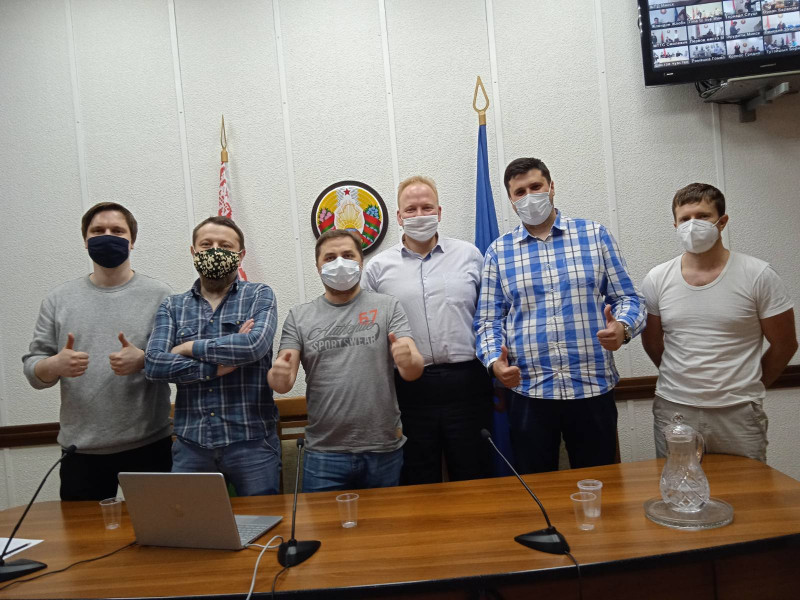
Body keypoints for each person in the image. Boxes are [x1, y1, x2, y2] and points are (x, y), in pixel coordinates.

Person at [474, 157, 646, 474]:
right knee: (538, 488)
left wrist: (622, 328)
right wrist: (495, 362)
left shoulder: (595, 235)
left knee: (600, 483)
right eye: (520, 192)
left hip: (591, 387)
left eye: (536, 186)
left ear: (551, 187)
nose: (529, 196)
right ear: (511, 200)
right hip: (530, 391)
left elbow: (628, 298)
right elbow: (488, 321)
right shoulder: (499, 251)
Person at [22, 202, 172, 501]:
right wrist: (54, 365)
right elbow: (33, 370)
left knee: (159, 530)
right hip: (82, 452)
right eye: (98, 231)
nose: (107, 236)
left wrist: (144, 360)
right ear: (85, 240)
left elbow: (178, 362)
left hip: (150, 446)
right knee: (82, 533)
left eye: (117, 231)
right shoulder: (58, 299)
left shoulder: (161, 295)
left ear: (132, 240)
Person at [641, 184, 796, 462]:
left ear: (722, 222)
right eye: (685, 219)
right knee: (678, 486)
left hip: (739, 413)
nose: (692, 225)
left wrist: (751, 384)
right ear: (675, 225)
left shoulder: (758, 275)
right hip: (674, 408)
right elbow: (652, 342)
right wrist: (681, 377)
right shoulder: (657, 278)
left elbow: (785, 344)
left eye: (703, 216)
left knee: (747, 487)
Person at [268, 229, 424, 493]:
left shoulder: (388, 306)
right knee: (323, 522)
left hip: (383, 449)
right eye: (330, 258)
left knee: (387, 521)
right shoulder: (299, 316)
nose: (339, 263)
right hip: (324, 453)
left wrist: (407, 359)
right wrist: (278, 374)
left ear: (361, 261)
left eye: (348, 255)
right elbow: (282, 383)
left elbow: (413, 370)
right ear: (318, 267)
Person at [362, 175, 493, 485]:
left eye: (426, 207)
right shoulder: (378, 268)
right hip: (409, 390)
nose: (419, 215)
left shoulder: (470, 255)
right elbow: (368, 332)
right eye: (411, 209)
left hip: (467, 383)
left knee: (475, 477)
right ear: (399, 216)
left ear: (439, 212)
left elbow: (489, 316)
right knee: (418, 480)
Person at [145, 216, 281, 496]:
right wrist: (212, 368)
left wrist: (187, 348)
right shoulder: (172, 306)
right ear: (193, 252)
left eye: (225, 246)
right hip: (191, 445)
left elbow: (253, 346)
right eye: (206, 245)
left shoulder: (259, 295)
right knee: (191, 522)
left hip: (252, 442)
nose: (215, 251)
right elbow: (155, 364)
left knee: (264, 520)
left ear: (240, 255)